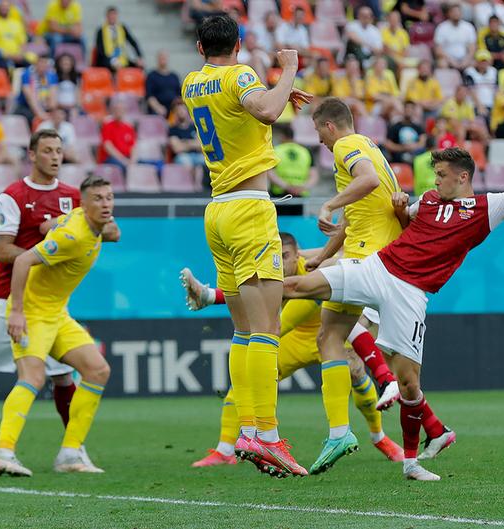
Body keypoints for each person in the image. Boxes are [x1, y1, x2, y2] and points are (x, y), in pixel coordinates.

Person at [283, 146, 504, 480]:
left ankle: (412, 462)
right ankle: (221, 294)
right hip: (379, 268)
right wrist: (398, 210)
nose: (435, 180)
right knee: (298, 287)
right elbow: (405, 225)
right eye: (435, 174)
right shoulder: (426, 200)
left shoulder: (485, 208)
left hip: (410, 293)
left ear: (463, 176)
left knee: (408, 383)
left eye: (441, 175)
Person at [0, 130, 119, 473]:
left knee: (70, 376)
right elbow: (4, 252)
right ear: (32, 155)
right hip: (9, 298)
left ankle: (73, 452)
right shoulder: (13, 196)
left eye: (60, 150)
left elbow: (105, 231)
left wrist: (62, 225)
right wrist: (49, 251)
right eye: (47, 150)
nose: (55, 157)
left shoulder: (72, 199)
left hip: (51, 304)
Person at [181, 14, 311, 478]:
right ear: (239, 43)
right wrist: (288, 72)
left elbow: (251, 108)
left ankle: (245, 433)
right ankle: (267, 436)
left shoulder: (192, 83)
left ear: (199, 48)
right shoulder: (241, 75)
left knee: (241, 330)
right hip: (251, 209)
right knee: (267, 328)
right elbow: (267, 111)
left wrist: (272, 93)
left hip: (216, 210)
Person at [180, 233, 404, 467]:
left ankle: (379, 437)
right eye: (278, 256)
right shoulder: (276, 268)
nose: (282, 261)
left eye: (286, 255)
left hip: (325, 334)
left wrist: (212, 295)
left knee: (357, 375)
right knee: (247, 380)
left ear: (296, 254)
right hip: (295, 342)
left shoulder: (313, 268)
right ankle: (225, 450)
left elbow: (275, 320)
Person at [0, 174, 116, 476]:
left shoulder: (85, 222)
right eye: (98, 199)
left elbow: (108, 230)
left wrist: (51, 224)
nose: (106, 204)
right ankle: (2, 453)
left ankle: (70, 454)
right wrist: (17, 312)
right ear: (83, 205)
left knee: (98, 370)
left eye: (109, 197)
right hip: (31, 312)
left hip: (56, 313)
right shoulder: (72, 236)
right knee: (32, 377)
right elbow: (21, 262)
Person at [306, 98, 407, 474]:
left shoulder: (347, 147)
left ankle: (215, 295)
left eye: (318, 131)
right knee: (328, 338)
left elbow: (368, 181)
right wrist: (321, 255)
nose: (319, 140)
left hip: (368, 259)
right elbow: (357, 216)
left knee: (290, 288)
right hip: (376, 255)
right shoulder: (368, 145)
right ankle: (341, 431)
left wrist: (328, 204)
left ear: (330, 126)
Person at [267, 125, 317, 197]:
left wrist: (287, 186)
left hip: (279, 194)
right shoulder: (305, 151)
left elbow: (270, 173)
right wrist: (303, 187)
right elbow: (314, 175)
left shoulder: (275, 150)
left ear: (282, 136)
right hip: (300, 195)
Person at [93, 6, 144, 71]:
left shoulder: (122, 28)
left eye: (114, 14)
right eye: (110, 15)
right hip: (107, 59)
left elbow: (133, 42)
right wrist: (112, 60)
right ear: (107, 16)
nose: (112, 17)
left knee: (139, 66)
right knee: (114, 66)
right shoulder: (101, 31)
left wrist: (139, 57)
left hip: (121, 58)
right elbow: (100, 50)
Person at [96, 98, 137, 174]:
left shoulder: (129, 127)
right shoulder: (107, 125)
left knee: (154, 163)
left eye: (121, 109)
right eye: (117, 109)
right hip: (110, 159)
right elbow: (108, 147)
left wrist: (133, 161)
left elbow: (133, 147)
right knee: (122, 167)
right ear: (113, 110)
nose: (119, 111)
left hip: (127, 158)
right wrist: (123, 160)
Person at [15, 56, 58, 126]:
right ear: (36, 63)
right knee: (33, 119)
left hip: (45, 106)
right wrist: (41, 114)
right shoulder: (27, 74)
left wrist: (52, 112)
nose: (43, 66)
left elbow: (53, 97)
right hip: (26, 107)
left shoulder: (52, 76)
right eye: (41, 63)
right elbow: (30, 98)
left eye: (45, 63)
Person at [146, 51, 182, 117]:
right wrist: (158, 107)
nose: (163, 59)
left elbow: (179, 95)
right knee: (159, 113)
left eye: (164, 58)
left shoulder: (174, 76)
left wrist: (177, 105)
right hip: (158, 108)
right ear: (157, 59)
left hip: (173, 108)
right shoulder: (151, 76)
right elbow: (149, 97)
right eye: (161, 57)